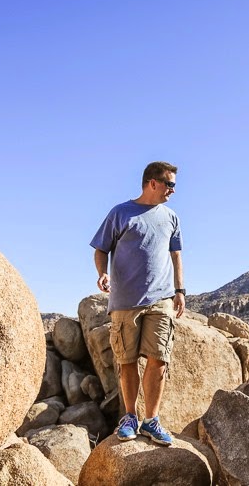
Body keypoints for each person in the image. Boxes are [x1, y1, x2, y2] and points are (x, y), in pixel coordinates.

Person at [90, 161, 185, 446]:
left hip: (160, 299)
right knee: (127, 360)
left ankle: (151, 420)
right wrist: (102, 273)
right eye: (169, 184)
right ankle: (130, 416)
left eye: (174, 185)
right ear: (151, 183)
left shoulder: (171, 218)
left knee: (159, 359)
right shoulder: (120, 213)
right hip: (125, 301)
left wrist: (180, 290)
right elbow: (100, 249)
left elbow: (176, 255)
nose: (173, 190)